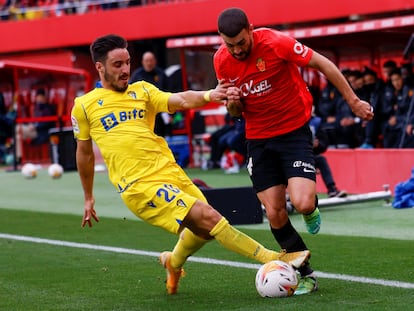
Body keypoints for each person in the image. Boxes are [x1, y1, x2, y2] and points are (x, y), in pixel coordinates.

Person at [71, 34, 309, 295]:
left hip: (171, 173)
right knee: (210, 218)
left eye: (128, 62)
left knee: (203, 231)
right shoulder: (84, 106)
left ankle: (172, 263)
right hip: (138, 186)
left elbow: (180, 100)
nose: (126, 69)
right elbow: (84, 154)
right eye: (117, 64)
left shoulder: (142, 90)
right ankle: (273, 258)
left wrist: (211, 94)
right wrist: (88, 197)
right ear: (100, 67)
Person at [214, 8, 373, 295]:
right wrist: (233, 102)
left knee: (302, 203)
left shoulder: (277, 43)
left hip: (292, 132)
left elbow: (324, 64)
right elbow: (235, 112)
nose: (237, 50)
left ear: (250, 29)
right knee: (274, 212)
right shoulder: (221, 61)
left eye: (241, 42)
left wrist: (353, 102)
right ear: (221, 39)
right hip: (258, 139)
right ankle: (305, 273)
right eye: (230, 44)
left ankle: (311, 208)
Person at [130, 51, 171, 137]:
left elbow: (168, 91)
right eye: (146, 61)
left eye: (151, 60)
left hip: (160, 112)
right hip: (143, 112)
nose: (149, 63)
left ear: (155, 61)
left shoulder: (161, 74)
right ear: (142, 62)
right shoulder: (136, 75)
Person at [309, 114, 347, 198]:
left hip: (309, 156)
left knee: (321, 159)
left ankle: (332, 189)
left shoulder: (316, 122)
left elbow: (324, 143)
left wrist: (318, 145)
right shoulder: (294, 122)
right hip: (293, 157)